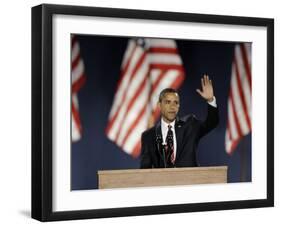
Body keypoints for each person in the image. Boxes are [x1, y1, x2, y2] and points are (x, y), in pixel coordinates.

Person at [140, 74, 219, 168]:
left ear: (178, 106)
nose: (172, 106)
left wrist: (211, 100)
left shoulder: (190, 125)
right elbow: (145, 169)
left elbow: (211, 123)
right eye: (168, 102)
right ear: (159, 105)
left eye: (175, 103)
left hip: (190, 181)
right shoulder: (148, 136)